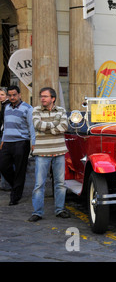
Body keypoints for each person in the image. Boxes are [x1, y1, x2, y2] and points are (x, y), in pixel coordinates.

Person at [28, 87, 70, 222]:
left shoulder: (62, 110)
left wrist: (48, 128)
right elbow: (37, 125)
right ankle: (37, 212)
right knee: (39, 184)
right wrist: (54, 126)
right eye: (41, 96)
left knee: (60, 183)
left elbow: (64, 127)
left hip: (59, 151)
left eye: (45, 96)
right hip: (42, 152)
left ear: (53, 98)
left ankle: (60, 210)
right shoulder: (36, 110)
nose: (42, 99)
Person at [0, 85, 35, 205]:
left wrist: (33, 143)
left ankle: (15, 196)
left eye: (14, 95)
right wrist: (3, 140)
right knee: (3, 166)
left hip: (21, 142)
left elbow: (32, 127)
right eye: (10, 95)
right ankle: (17, 185)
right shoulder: (6, 107)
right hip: (7, 142)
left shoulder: (28, 108)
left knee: (20, 169)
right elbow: (5, 126)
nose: (12, 97)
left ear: (19, 95)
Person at [0, 87, 11, 191]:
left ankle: (6, 184)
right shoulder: (4, 104)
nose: (0, 96)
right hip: (5, 134)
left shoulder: (6, 105)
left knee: (5, 161)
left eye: (2, 94)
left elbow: (5, 123)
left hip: (5, 135)